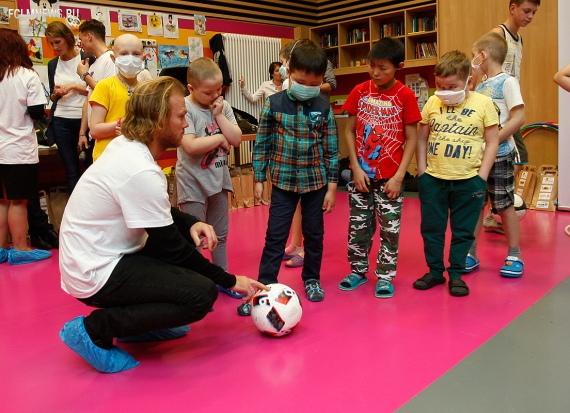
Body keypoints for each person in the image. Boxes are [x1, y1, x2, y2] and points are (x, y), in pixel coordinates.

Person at [58, 77, 267, 373]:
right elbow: (173, 248)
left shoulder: (129, 146)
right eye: (181, 116)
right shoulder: (139, 168)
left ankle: (140, 326)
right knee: (201, 295)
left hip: (102, 254)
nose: (186, 123)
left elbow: (154, 213)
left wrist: (191, 222)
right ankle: (95, 329)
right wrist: (229, 280)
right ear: (158, 120)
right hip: (94, 271)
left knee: (186, 277)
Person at [237, 40, 339, 315]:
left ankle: (312, 279)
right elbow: (263, 144)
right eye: (301, 80)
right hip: (283, 183)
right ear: (288, 72)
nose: (308, 87)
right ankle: (265, 287)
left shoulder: (324, 108)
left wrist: (331, 187)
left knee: (315, 236)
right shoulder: (273, 104)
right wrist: (259, 178)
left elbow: (331, 150)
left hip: (315, 184)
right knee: (275, 237)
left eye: (314, 83)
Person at [338, 37, 421, 298]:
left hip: (390, 180)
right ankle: (358, 270)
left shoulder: (405, 95)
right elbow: (349, 132)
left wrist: (398, 177)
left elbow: (411, 139)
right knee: (358, 226)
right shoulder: (360, 91)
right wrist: (355, 167)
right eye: (372, 66)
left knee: (389, 228)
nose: (376, 72)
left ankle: (385, 276)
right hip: (361, 175)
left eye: (383, 68)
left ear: (399, 66)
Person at [412, 50, 499, 297]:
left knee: (463, 230)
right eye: (440, 86)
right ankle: (435, 272)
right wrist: (422, 172)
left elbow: (492, 141)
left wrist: (481, 177)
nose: (445, 91)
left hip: (469, 181)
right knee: (431, 229)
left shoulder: (483, 104)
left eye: (452, 86)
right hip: (434, 179)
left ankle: (457, 274)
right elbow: (421, 138)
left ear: (468, 81)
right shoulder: (432, 103)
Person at [177, 57, 243, 298]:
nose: (215, 95)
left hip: (219, 180)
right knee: (194, 238)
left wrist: (220, 116)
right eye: (208, 92)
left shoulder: (222, 106)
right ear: (191, 88)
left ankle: (223, 278)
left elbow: (236, 139)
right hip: (192, 183)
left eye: (219, 90)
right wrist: (218, 139)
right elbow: (191, 145)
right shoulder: (185, 107)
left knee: (221, 235)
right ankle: (196, 287)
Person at [467, 33, 526, 277]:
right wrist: (469, 92)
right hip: (478, 157)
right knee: (475, 204)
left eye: (474, 56)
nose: (473, 61)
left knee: (503, 204)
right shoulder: (480, 86)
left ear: (484, 55)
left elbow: (519, 118)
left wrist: (495, 141)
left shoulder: (507, 82)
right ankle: (470, 252)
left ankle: (514, 254)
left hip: (500, 154)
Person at [278, 39, 338, 269]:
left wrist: (307, 86)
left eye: (284, 62)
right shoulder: (285, 85)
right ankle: (295, 243)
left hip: (313, 137)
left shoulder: (320, 68)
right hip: (293, 148)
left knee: (308, 207)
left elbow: (331, 84)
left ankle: (304, 250)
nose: (283, 67)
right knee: (293, 200)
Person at [483, 0, 540, 234]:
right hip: (497, 109)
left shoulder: (519, 39)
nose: (530, 16)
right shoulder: (498, 34)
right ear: (512, 7)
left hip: (509, 106)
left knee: (517, 160)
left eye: (534, 13)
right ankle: (493, 211)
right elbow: (481, 64)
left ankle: (493, 212)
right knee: (513, 159)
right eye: (527, 11)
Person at [0, 29, 51, 265]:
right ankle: (20, 248)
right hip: (17, 149)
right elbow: (37, 113)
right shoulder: (27, 76)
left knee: (1, 201)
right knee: (18, 201)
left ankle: (1, 249)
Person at [45, 21, 91, 194]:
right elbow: (52, 95)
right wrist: (57, 93)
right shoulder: (52, 64)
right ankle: (76, 218)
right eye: (51, 43)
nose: (55, 47)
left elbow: (95, 91)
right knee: (71, 173)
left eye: (58, 41)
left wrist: (73, 86)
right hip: (61, 121)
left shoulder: (86, 58)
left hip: (84, 121)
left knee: (90, 170)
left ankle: (91, 215)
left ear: (68, 38)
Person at [89, 34, 144, 161]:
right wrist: (121, 124)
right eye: (124, 54)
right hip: (107, 158)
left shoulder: (146, 90)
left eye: (136, 54)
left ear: (143, 57)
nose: (130, 58)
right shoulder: (104, 86)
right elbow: (95, 130)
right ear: (113, 58)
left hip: (135, 157)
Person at [77, 19, 116, 164]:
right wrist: (82, 133)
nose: (80, 44)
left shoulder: (110, 60)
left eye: (81, 39)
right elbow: (89, 99)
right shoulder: (93, 65)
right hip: (93, 134)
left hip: (107, 134)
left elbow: (110, 93)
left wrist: (84, 76)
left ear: (89, 36)